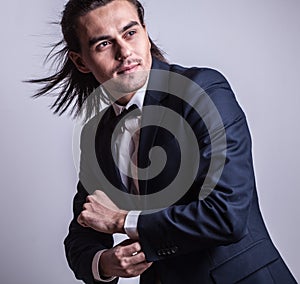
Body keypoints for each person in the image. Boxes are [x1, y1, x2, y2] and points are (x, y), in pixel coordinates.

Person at [31, 0, 297, 283]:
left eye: (130, 33)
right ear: (81, 61)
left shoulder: (201, 91)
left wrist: (122, 221)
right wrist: (104, 263)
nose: (125, 52)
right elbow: (85, 228)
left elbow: (227, 215)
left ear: (145, 33)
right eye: (104, 44)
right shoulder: (97, 135)